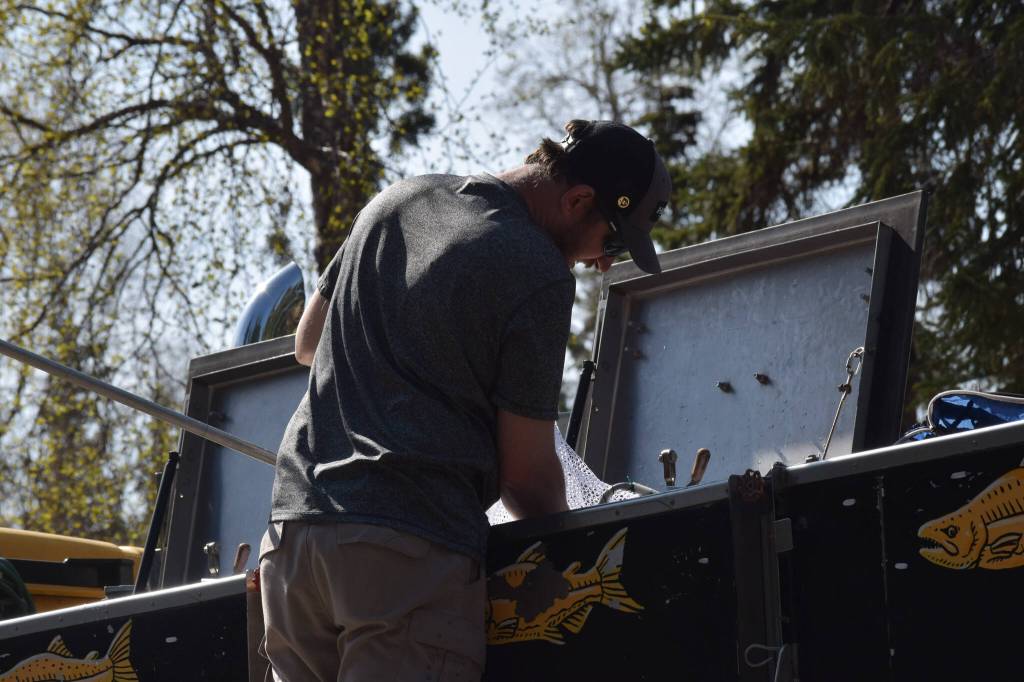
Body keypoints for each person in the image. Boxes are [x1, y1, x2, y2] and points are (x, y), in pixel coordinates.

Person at [259, 119, 672, 681]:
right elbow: (525, 478)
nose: (604, 262)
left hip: (293, 541)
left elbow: (308, 343)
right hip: (405, 552)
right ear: (578, 200)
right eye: (614, 240)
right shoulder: (536, 270)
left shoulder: (398, 200)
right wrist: (575, 559)